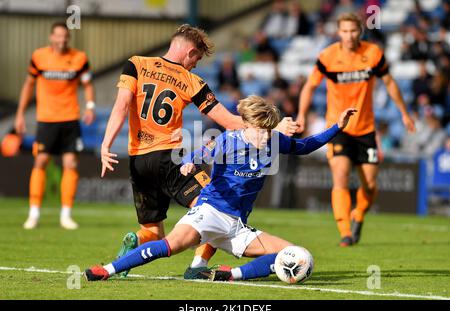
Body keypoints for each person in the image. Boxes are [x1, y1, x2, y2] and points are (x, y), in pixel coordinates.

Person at [84, 95, 356, 282]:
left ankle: (229, 274)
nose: (264, 136)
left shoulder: (274, 141)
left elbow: (306, 146)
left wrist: (337, 127)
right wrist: (189, 164)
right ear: (246, 125)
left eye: (268, 131)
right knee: (170, 246)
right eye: (259, 130)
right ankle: (107, 270)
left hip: (238, 226)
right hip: (210, 212)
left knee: (294, 253)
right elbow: (201, 152)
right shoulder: (228, 139)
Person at [101, 24, 298, 278]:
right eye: (197, 59)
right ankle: (197, 267)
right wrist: (271, 126)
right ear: (190, 51)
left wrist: (106, 145)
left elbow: (121, 106)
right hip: (169, 157)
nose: (195, 65)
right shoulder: (190, 80)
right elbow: (228, 122)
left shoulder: (136, 64)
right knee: (218, 204)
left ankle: (132, 249)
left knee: (153, 231)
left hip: (138, 160)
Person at [296, 13, 416, 247]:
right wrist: (301, 114)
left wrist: (403, 112)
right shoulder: (328, 57)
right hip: (338, 127)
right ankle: (345, 232)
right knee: (340, 176)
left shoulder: (372, 54)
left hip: (365, 129)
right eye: (345, 31)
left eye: (353, 31)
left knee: (370, 186)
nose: (349, 35)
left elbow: (389, 82)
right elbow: (310, 86)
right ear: (338, 32)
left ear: (360, 31)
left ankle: (359, 213)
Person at [14, 22, 96, 230]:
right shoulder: (39, 57)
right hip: (46, 119)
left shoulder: (79, 58)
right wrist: (20, 114)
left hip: (70, 118)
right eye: (58, 36)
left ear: (68, 38)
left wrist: (90, 106)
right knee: (40, 161)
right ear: (51, 37)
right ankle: (34, 213)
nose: (62, 40)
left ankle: (66, 215)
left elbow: (87, 85)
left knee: (71, 164)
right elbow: (28, 85)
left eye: (65, 37)